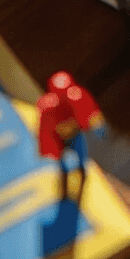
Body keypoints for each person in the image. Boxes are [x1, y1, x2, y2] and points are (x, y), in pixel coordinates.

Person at [37, 70, 106, 199]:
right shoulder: (48, 107)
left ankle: (79, 189)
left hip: (75, 136)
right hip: (60, 139)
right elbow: (44, 128)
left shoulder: (77, 96)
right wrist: (46, 147)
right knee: (63, 167)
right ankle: (64, 192)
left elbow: (90, 110)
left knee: (81, 164)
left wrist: (98, 123)